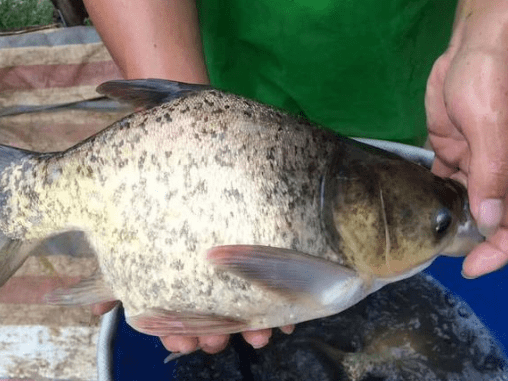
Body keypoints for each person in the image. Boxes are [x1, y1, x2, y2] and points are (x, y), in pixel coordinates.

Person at [82, 0, 508, 356]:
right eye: (441, 225)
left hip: (422, 79)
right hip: (228, 81)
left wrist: (489, 33)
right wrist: (189, 128)